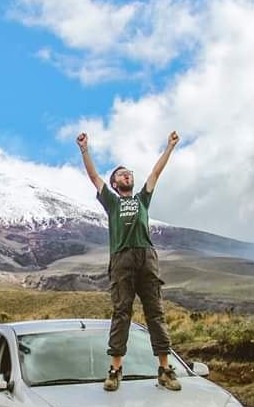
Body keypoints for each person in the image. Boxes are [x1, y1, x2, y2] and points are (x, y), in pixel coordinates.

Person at [76, 131, 181, 392]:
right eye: (122, 174)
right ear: (114, 183)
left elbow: (156, 173)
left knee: (155, 313)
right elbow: (93, 177)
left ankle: (165, 370)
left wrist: (169, 147)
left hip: (147, 256)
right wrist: (84, 150)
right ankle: (115, 369)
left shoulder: (142, 198)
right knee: (121, 312)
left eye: (129, 173)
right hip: (122, 258)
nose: (127, 175)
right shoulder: (111, 202)